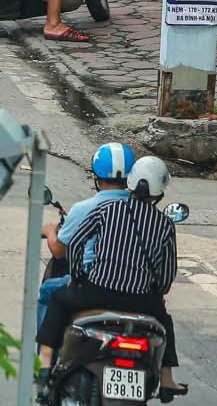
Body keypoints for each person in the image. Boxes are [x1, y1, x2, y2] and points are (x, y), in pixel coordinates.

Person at [39, 155, 184, 397]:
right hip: (142, 301)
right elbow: (167, 275)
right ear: (159, 191)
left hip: (97, 292)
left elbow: (75, 243)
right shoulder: (164, 225)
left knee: (58, 299)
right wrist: (154, 291)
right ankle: (167, 378)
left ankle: (44, 362)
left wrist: (78, 276)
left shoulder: (107, 209)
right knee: (165, 322)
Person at [37, 143, 137, 333]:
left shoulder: (85, 208)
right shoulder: (143, 210)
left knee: (49, 291)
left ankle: (44, 355)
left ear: (96, 176)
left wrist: (51, 231)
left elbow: (60, 251)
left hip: (94, 287)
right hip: (138, 292)